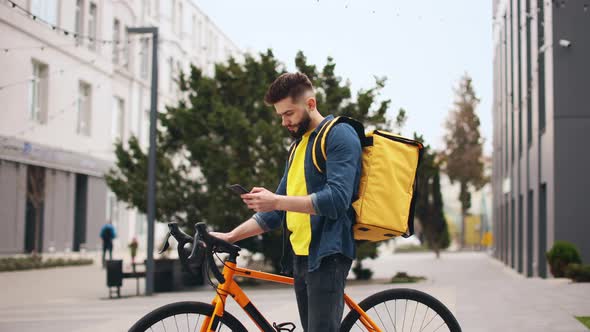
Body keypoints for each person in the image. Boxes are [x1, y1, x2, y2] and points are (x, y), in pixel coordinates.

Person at [210, 72, 362, 331]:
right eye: (280, 115)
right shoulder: (297, 147)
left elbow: (337, 199)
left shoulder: (339, 134)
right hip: (301, 257)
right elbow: (274, 214)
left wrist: (276, 201)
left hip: (328, 255)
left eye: (289, 113)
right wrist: (229, 236)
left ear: (310, 104)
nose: (284, 122)